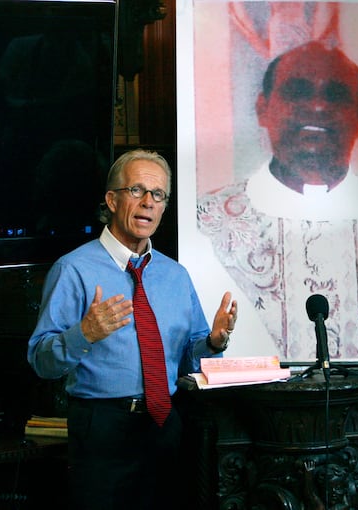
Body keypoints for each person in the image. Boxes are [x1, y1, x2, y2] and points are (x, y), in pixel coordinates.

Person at [28, 149, 238, 509]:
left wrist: (213, 343)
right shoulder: (73, 270)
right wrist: (84, 333)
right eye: (137, 190)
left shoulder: (175, 275)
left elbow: (189, 359)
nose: (148, 202)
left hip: (167, 425)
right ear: (111, 200)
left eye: (158, 195)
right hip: (102, 428)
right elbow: (41, 361)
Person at [197, 40, 358, 360]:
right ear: (263, 107)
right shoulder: (209, 218)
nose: (318, 106)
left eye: (336, 95)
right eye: (298, 91)